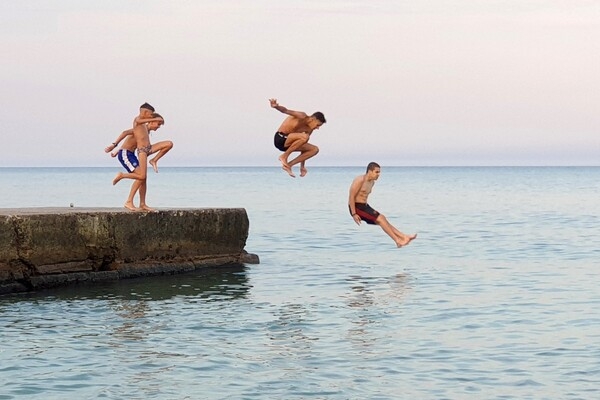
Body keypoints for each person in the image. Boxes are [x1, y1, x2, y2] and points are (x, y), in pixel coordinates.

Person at [107, 114, 168, 211]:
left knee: (143, 178)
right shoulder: (140, 129)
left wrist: (117, 151)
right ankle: (128, 199)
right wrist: (114, 146)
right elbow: (125, 133)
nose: (159, 126)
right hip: (126, 154)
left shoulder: (146, 132)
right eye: (158, 123)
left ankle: (142, 204)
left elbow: (132, 142)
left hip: (130, 154)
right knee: (141, 176)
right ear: (151, 121)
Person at [348, 162, 417, 248]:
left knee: (382, 219)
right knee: (380, 219)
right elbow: (351, 196)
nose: (378, 174)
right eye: (376, 172)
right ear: (369, 171)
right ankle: (398, 241)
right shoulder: (360, 180)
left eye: (379, 172)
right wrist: (354, 214)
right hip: (356, 208)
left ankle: (404, 237)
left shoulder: (372, 182)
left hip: (364, 206)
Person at [269, 98, 326, 178]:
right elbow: (285, 110)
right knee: (305, 137)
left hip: (289, 145)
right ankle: (284, 156)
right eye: (318, 125)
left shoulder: (309, 129)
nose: (318, 128)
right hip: (280, 138)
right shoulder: (302, 116)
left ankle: (288, 165)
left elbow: (303, 146)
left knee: (314, 149)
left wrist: (302, 166)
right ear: (313, 119)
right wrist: (276, 107)